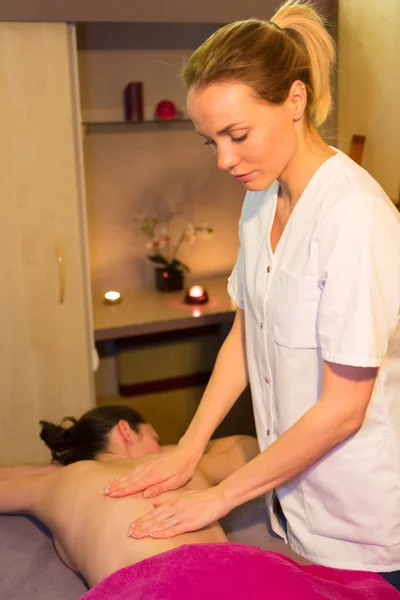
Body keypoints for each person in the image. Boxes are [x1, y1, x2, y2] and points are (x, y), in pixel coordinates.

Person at [103, 0, 400, 591]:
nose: (224, 159)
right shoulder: (262, 196)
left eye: (237, 135)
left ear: (294, 101)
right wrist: (189, 449)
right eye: (209, 141)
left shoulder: (354, 217)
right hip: (295, 502)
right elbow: (248, 329)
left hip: (366, 521)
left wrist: (217, 499)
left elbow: (344, 409)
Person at [2, 405, 398, 600]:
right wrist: (181, 452)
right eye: (156, 436)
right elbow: (247, 446)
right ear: (126, 431)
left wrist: (54, 471)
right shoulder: (180, 469)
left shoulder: (57, 486)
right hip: (231, 576)